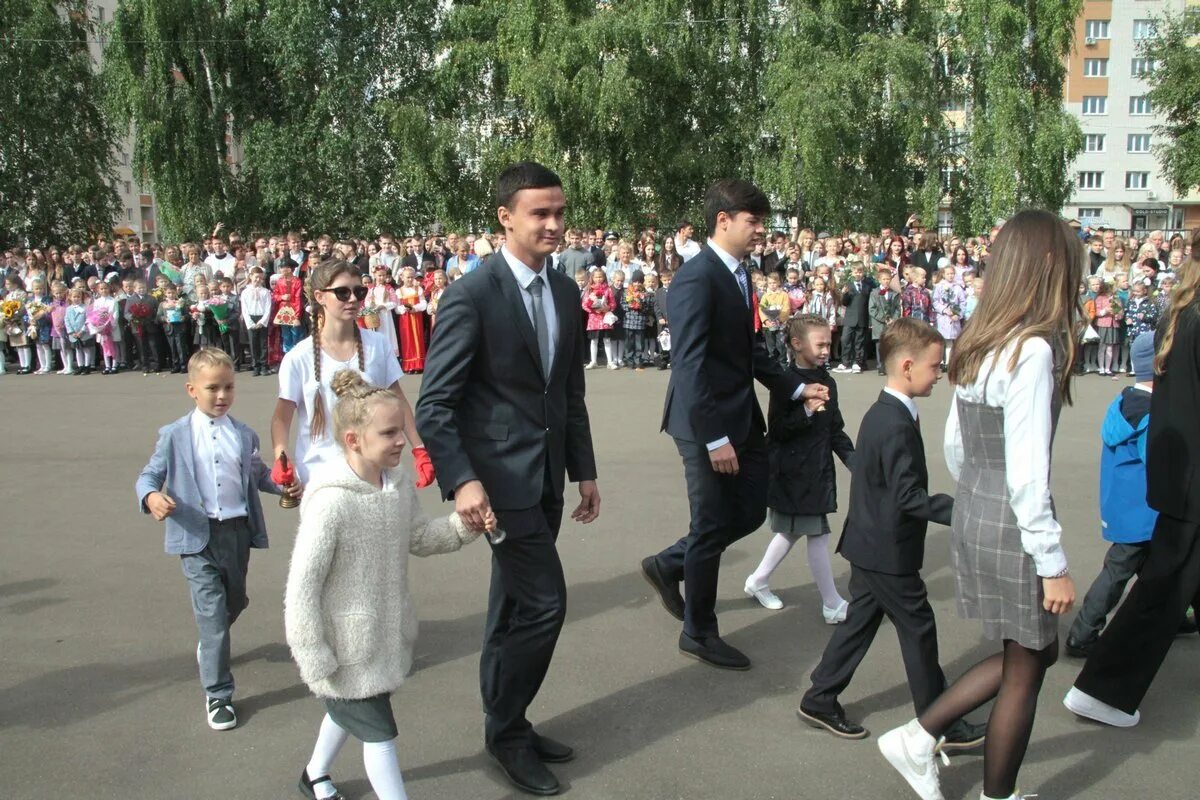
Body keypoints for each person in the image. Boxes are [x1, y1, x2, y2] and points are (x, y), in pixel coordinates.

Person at [877, 209, 1079, 800]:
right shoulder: (1033, 350)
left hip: (978, 509)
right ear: (1046, 267)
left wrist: (980, 502)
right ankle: (983, 785)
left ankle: (920, 739)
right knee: (1028, 665)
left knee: (1031, 654)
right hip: (1014, 519)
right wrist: (1053, 561)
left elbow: (958, 448)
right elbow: (1027, 471)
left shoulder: (981, 342)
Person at [416, 162, 600, 797]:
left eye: (559, 211)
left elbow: (567, 392)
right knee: (546, 604)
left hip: (547, 477)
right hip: (496, 488)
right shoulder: (472, 294)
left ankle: (508, 719)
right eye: (539, 214)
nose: (553, 224)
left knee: (514, 605)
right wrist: (462, 481)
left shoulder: (567, 292)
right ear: (505, 218)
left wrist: (586, 471)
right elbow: (434, 404)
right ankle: (505, 732)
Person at [641, 179, 827, 671]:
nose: (761, 231)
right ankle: (699, 631)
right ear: (723, 220)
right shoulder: (696, 278)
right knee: (711, 525)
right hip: (705, 423)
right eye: (753, 221)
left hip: (740, 417)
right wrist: (714, 437)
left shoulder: (740, 274)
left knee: (746, 513)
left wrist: (793, 386)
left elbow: (752, 353)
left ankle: (668, 565)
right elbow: (690, 365)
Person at [286, 370, 488, 800]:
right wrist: (312, 653)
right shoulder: (330, 502)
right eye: (389, 432)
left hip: (384, 636)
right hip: (344, 649)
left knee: (348, 712)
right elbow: (302, 587)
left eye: (402, 429)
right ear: (354, 440)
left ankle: (314, 774)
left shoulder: (395, 484)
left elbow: (417, 536)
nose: (403, 440)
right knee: (379, 732)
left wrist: (464, 526)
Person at [798, 318, 984, 755]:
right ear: (906, 366)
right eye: (935, 366)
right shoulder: (894, 422)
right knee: (919, 628)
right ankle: (939, 722)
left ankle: (820, 697)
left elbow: (875, 479)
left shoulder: (886, 412)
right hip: (886, 549)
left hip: (870, 542)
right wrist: (967, 510)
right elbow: (908, 497)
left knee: (860, 623)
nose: (939, 374)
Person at [1065, 229, 1200, 729]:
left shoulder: (1181, 312)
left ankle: (1102, 686)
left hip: (1179, 478)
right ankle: (1103, 688)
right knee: (1159, 588)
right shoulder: (1190, 315)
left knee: (1163, 583)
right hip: (1189, 481)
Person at [135, 348, 297, 731]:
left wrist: (286, 485)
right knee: (212, 617)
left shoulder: (243, 434)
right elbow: (147, 477)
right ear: (192, 389)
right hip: (196, 536)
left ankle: (211, 644)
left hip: (237, 533)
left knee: (235, 600)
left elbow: (258, 476)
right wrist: (151, 497)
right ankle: (218, 694)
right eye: (212, 388)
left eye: (228, 387)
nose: (222, 396)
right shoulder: (174, 435)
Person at [270, 259, 434, 488]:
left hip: (374, 472)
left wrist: (419, 449)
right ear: (319, 297)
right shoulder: (299, 357)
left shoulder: (378, 345)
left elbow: (398, 401)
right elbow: (281, 419)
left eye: (359, 291)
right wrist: (282, 458)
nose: (354, 299)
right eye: (342, 293)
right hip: (322, 477)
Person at [744, 314, 853, 617]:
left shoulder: (827, 380)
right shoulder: (785, 383)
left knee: (792, 532)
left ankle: (758, 579)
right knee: (817, 534)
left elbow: (835, 428)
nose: (825, 350)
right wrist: (805, 411)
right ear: (796, 344)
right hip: (793, 472)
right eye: (820, 344)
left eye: (828, 344)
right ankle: (832, 604)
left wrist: (854, 461)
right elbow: (777, 431)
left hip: (817, 470)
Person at [1064, 334, 1159, 658]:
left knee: (1152, 569)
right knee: (1119, 572)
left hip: (1124, 506)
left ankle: (1173, 618)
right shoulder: (1152, 413)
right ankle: (1082, 634)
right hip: (1145, 509)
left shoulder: (1124, 400)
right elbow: (1159, 464)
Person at [834, 261, 874, 374]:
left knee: (859, 341)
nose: (858, 274)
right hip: (850, 318)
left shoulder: (867, 286)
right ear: (852, 273)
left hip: (862, 318)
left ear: (863, 273)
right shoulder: (849, 286)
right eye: (856, 272)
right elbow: (845, 303)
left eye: (860, 272)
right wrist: (844, 294)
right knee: (845, 340)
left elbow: (868, 302)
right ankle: (845, 362)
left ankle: (858, 362)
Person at [240, 267, 272, 376]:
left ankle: (264, 365)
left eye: (260, 278)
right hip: (251, 318)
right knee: (253, 344)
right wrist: (250, 323)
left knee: (263, 343)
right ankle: (256, 365)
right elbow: (244, 309)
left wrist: (262, 321)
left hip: (262, 318)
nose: (258, 280)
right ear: (250, 277)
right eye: (256, 277)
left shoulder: (265, 292)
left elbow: (268, 308)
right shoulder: (245, 292)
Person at [869, 268, 901, 375]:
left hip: (891, 323)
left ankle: (889, 365)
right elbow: (872, 309)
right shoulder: (874, 293)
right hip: (879, 323)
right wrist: (883, 319)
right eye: (884, 279)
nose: (886, 281)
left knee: (890, 344)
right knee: (879, 344)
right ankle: (880, 366)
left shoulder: (894, 293)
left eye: (888, 279)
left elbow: (897, 308)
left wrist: (894, 319)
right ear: (879, 280)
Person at [620, 270, 654, 370]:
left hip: (640, 322)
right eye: (635, 281)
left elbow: (650, 308)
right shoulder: (626, 292)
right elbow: (622, 304)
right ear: (632, 281)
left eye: (639, 281)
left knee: (639, 343)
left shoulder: (646, 294)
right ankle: (630, 360)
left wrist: (641, 306)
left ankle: (638, 361)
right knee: (629, 342)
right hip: (628, 321)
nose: (637, 284)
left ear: (642, 282)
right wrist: (629, 306)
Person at [582, 268, 616, 369]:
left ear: (604, 277)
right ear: (592, 278)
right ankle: (593, 361)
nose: (598, 279)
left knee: (607, 340)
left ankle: (610, 361)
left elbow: (613, 303)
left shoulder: (608, 289)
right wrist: (592, 310)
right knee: (594, 341)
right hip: (594, 320)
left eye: (600, 277)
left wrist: (608, 308)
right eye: (596, 277)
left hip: (605, 319)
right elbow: (584, 304)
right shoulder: (589, 289)